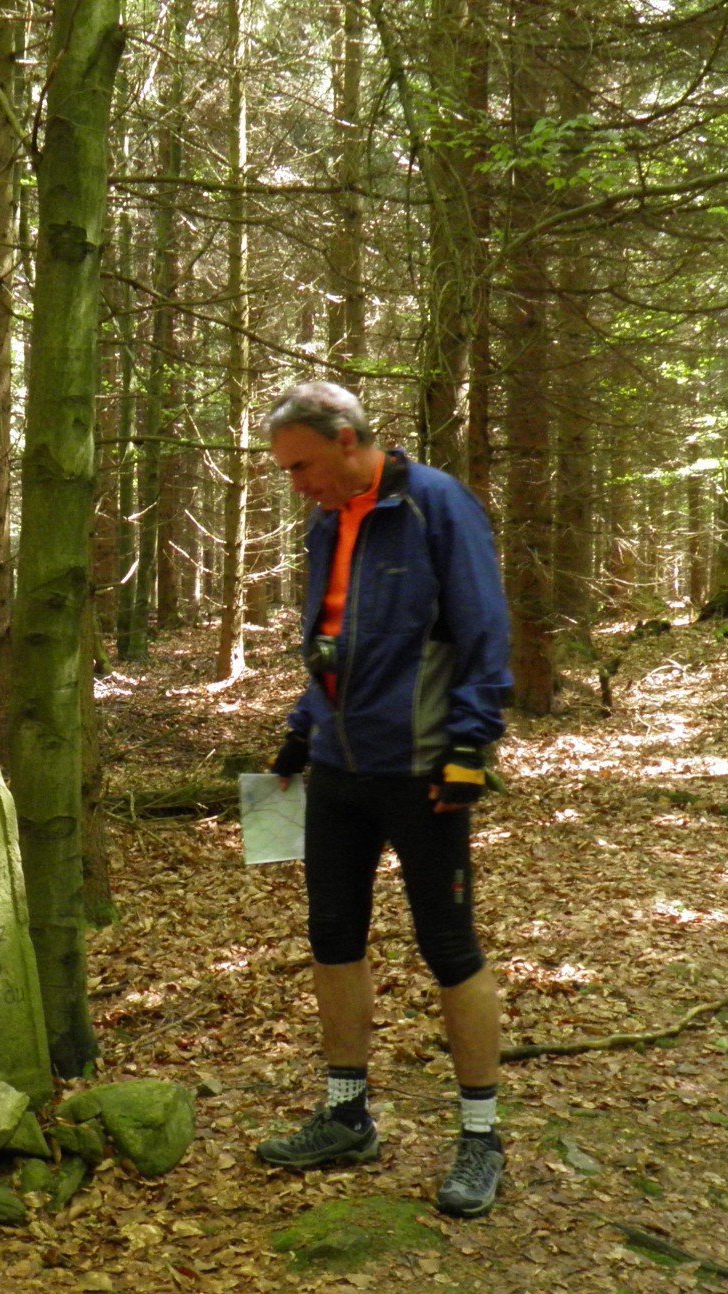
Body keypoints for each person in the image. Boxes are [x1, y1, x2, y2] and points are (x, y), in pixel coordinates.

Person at [255, 380, 514, 1219]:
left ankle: (480, 1138)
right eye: (287, 473)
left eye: (301, 467)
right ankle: (344, 1116)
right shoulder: (326, 523)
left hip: (422, 767)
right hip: (338, 764)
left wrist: (471, 745)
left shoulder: (435, 506)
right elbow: (329, 644)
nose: (297, 486)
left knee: (448, 945)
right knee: (332, 936)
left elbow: (481, 632)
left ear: (345, 438)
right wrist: (302, 726)